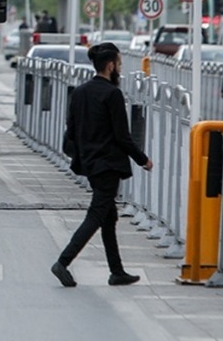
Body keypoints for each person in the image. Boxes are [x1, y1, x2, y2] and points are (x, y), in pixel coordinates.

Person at [51, 42, 153, 288]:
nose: (119, 68)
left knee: (108, 217)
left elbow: (71, 132)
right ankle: (63, 262)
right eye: (118, 64)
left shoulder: (80, 92)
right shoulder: (112, 94)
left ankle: (117, 271)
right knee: (97, 215)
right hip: (108, 164)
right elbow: (122, 136)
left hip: (90, 163)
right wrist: (143, 159)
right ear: (110, 66)